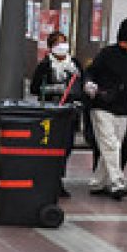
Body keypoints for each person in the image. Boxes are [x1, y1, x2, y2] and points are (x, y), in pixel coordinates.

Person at [83, 18, 127, 200]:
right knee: (111, 144)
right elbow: (90, 71)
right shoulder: (106, 54)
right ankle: (117, 182)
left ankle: (97, 183)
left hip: (123, 109)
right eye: (126, 41)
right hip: (101, 106)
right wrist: (89, 83)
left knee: (114, 146)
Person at [30, 30, 83, 199]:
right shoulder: (46, 65)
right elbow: (34, 88)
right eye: (58, 43)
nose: (62, 46)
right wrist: (53, 89)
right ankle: (50, 181)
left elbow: (82, 84)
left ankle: (58, 178)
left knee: (65, 147)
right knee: (51, 147)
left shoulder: (74, 64)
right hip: (51, 112)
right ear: (51, 47)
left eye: (64, 42)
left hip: (69, 113)